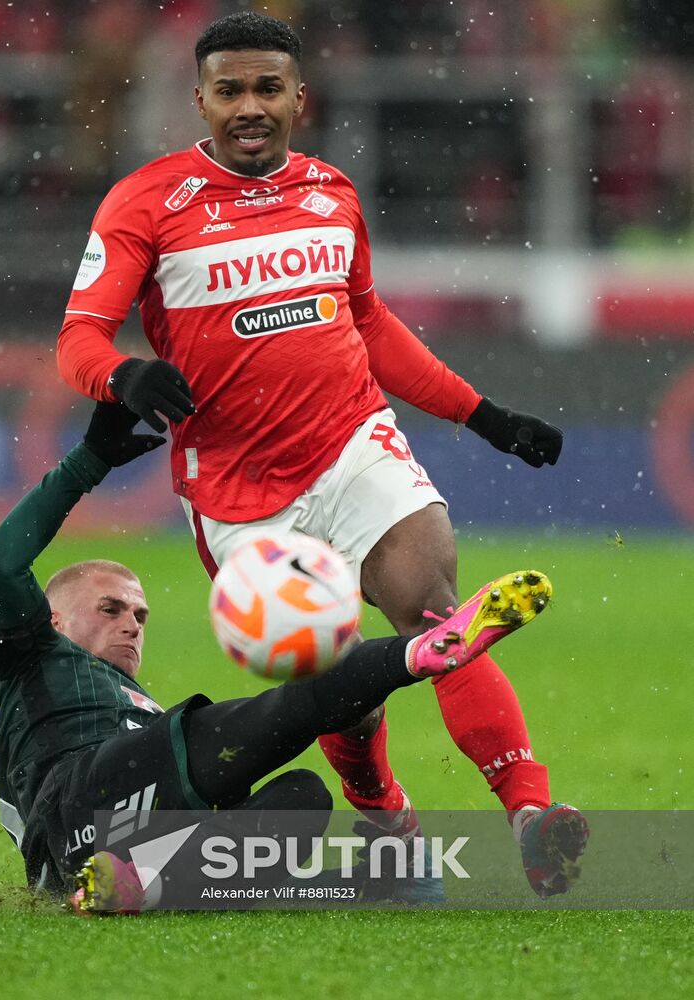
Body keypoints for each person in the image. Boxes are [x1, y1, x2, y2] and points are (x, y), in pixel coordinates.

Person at [55, 11, 587, 888]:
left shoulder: (332, 192)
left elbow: (368, 322)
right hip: (239, 490)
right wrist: (124, 377)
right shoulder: (146, 203)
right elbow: (80, 336)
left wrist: (481, 415)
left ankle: (530, 812)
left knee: (431, 607)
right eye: (230, 91)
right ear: (201, 99)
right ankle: (383, 809)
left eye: (268, 88)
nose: (250, 107)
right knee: (339, 678)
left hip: (351, 444)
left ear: (300, 96)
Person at [0, 401, 574, 911]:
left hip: (106, 847)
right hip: (74, 806)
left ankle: (151, 888)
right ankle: (419, 652)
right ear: (52, 618)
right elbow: (1, 563)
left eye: (140, 615)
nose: (132, 624)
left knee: (302, 798)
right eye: (111, 609)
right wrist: (89, 460)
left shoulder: (132, 708)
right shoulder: (29, 655)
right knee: (277, 713)